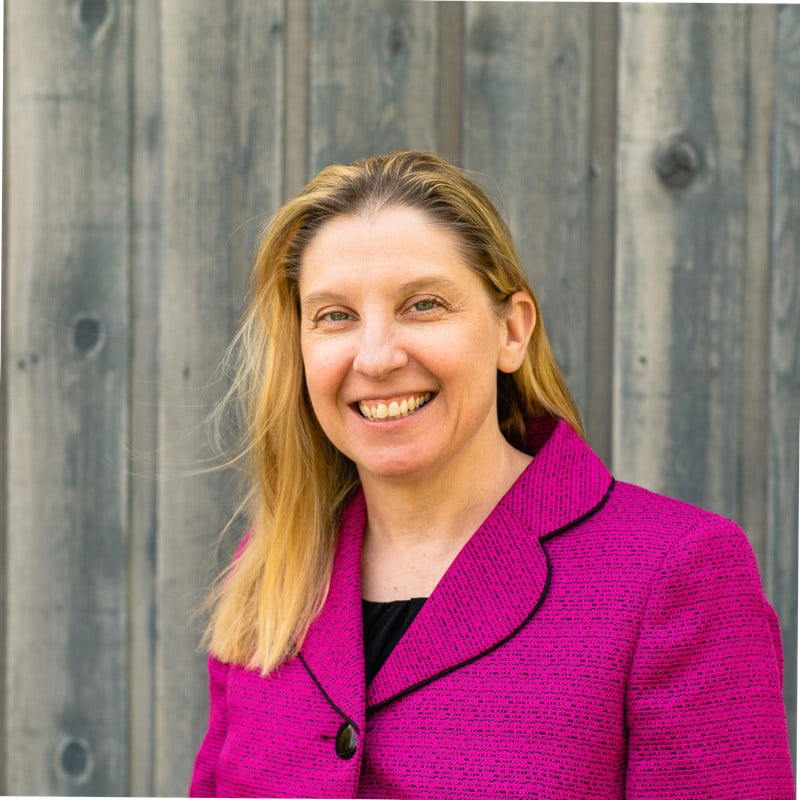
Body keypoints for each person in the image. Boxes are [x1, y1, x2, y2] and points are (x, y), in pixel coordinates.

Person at [190, 151, 793, 798]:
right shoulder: (271, 571)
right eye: (335, 315)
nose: (376, 356)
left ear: (512, 330)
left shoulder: (673, 572)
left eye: (422, 305)